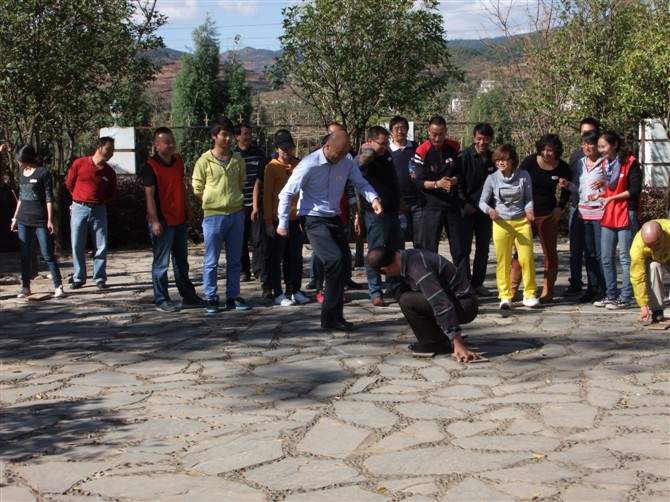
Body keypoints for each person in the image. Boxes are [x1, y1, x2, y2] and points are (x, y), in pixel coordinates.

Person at [277, 128, 382, 331]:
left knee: (344, 263)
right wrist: (282, 224)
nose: (342, 157)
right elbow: (286, 193)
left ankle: (335, 315)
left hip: (333, 217)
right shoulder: (309, 164)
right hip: (312, 218)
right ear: (327, 146)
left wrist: (374, 198)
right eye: (339, 153)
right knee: (333, 259)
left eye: (346, 153)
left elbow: (360, 183)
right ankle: (329, 317)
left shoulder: (347, 161)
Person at [367, 246, 480, 362]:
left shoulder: (418, 269)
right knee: (401, 291)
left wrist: (457, 341)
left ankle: (437, 344)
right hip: (456, 299)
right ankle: (434, 340)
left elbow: (441, 303)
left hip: (465, 306)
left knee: (407, 300)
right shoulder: (408, 256)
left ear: (385, 269)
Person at [142, 127, 206, 312]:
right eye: (166, 142)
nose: (171, 145)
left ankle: (189, 296)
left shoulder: (178, 160)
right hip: (162, 220)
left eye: (172, 141)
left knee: (181, 261)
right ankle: (161, 299)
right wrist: (154, 221)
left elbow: (181, 186)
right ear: (157, 145)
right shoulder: (150, 167)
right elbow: (149, 196)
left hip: (178, 218)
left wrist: (188, 209)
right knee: (161, 263)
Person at [192, 117, 249, 314]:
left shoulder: (238, 160)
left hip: (236, 214)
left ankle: (232, 296)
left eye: (230, 135)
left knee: (234, 260)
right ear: (214, 136)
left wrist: (233, 200)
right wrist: (212, 201)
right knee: (211, 260)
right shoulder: (204, 161)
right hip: (213, 217)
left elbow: (241, 182)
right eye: (223, 135)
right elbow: (197, 188)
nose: (227, 139)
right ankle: (211, 297)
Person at [479, 144, 539, 309]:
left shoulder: (524, 175)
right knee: (503, 261)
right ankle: (505, 296)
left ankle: (530, 294)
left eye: (504, 160)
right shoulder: (492, 178)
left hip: (521, 222)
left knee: (526, 258)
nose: (500, 163)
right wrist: (489, 210)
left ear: (512, 161)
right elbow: (482, 201)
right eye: (497, 160)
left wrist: (529, 209)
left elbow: (528, 198)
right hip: (501, 224)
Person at [592, 131, 642, 310]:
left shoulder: (630, 163)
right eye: (599, 147)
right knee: (605, 257)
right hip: (610, 212)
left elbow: (635, 190)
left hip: (626, 212)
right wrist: (600, 195)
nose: (601, 150)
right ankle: (611, 294)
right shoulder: (606, 164)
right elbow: (611, 189)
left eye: (603, 146)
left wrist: (611, 198)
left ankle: (626, 296)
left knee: (626, 258)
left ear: (614, 145)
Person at [519, 134, 571, 303]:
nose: (546, 153)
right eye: (543, 149)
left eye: (550, 150)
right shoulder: (529, 162)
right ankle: (512, 289)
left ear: (556, 151)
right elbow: (517, 183)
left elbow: (567, 189)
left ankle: (548, 290)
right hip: (527, 212)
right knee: (520, 251)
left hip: (548, 214)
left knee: (550, 253)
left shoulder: (562, 167)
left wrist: (560, 207)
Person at [356, 126, 404, 307]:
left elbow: (394, 179)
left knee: (395, 252)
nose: (384, 147)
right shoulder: (367, 157)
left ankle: (394, 287)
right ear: (370, 141)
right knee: (375, 253)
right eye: (381, 144)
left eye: (386, 143)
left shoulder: (387, 155)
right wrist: (368, 151)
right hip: (376, 215)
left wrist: (400, 200)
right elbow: (358, 165)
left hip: (393, 212)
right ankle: (375, 291)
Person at [414, 115, 467, 279]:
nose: (438, 138)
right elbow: (419, 182)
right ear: (428, 132)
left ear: (446, 132)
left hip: (452, 205)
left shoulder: (455, 147)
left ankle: (464, 283)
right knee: (430, 249)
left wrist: (453, 180)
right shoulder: (421, 151)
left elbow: (461, 174)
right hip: (431, 206)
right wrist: (437, 184)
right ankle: (432, 283)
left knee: (459, 248)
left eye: (441, 134)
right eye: (434, 134)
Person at [10, 144, 65, 298]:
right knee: (25, 255)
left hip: (40, 219)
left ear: (25, 158)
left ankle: (58, 285)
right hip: (23, 219)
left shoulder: (43, 173)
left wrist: (50, 219)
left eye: (19, 159)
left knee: (47, 254)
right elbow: (21, 197)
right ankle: (25, 287)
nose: (17, 162)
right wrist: (15, 217)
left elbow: (49, 198)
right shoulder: (21, 173)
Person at [559, 130, 607, 303]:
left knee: (601, 254)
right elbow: (579, 189)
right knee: (589, 253)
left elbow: (614, 185)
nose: (586, 147)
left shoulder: (605, 163)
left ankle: (604, 288)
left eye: (590, 144)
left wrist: (605, 183)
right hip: (583, 212)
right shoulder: (579, 164)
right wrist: (568, 185)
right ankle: (592, 288)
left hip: (600, 213)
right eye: (584, 144)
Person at [263, 132, 309, 306]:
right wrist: (268, 221)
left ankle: (295, 289)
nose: (287, 152)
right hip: (278, 219)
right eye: (283, 149)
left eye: (289, 148)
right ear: (276, 149)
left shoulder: (297, 165)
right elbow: (267, 196)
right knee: (277, 257)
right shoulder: (271, 167)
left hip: (296, 218)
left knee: (296, 257)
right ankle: (278, 293)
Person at [66, 136, 117, 290]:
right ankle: (79, 278)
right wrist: (79, 199)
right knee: (77, 244)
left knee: (101, 245)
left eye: (113, 150)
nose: (111, 153)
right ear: (99, 148)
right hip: (79, 208)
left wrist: (98, 201)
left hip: (99, 209)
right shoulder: (79, 164)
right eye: (109, 149)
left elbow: (111, 194)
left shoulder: (109, 172)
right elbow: (69, 184)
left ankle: (100, 278)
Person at [458, 123, 496, 297]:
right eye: (479, 139)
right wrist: (464, 204)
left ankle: (478, 283)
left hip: (486, 212)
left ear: (491, 140)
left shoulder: (494, 158)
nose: (482, 143)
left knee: (483, 250)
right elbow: (457, 185)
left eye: (486, 139)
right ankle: (465, 285)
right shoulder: (464, 157)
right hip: (466, 211)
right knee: (464, 250)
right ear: (473, 138)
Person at [234, 123, 267, 282]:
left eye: (250, 133)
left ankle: (258, 269)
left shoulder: (258, 153)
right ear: (237, 137)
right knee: (240, 239)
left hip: (257, 203)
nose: (249, 137)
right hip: (239, 204)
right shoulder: (233, 155)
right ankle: (243, 270)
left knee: (258, 238)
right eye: (245, 134)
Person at [389, 115, 422, 248]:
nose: (400, 131)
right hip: (397, 202)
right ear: (391, 131)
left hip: (417, 201)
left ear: (407, 129)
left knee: (420, 238)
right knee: (398, 239)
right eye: (396, 128)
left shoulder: (416, 148)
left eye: (403, 128)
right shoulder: (387, 151)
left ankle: (420, 261)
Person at [630, 220, 670, 324]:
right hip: (654, 259)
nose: (653, 248)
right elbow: (637, 277)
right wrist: (643, 306)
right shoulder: (638, 246)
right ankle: (657, 310)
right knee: (653, 267)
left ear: (663, 235)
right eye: (649, 246)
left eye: (656, 244)